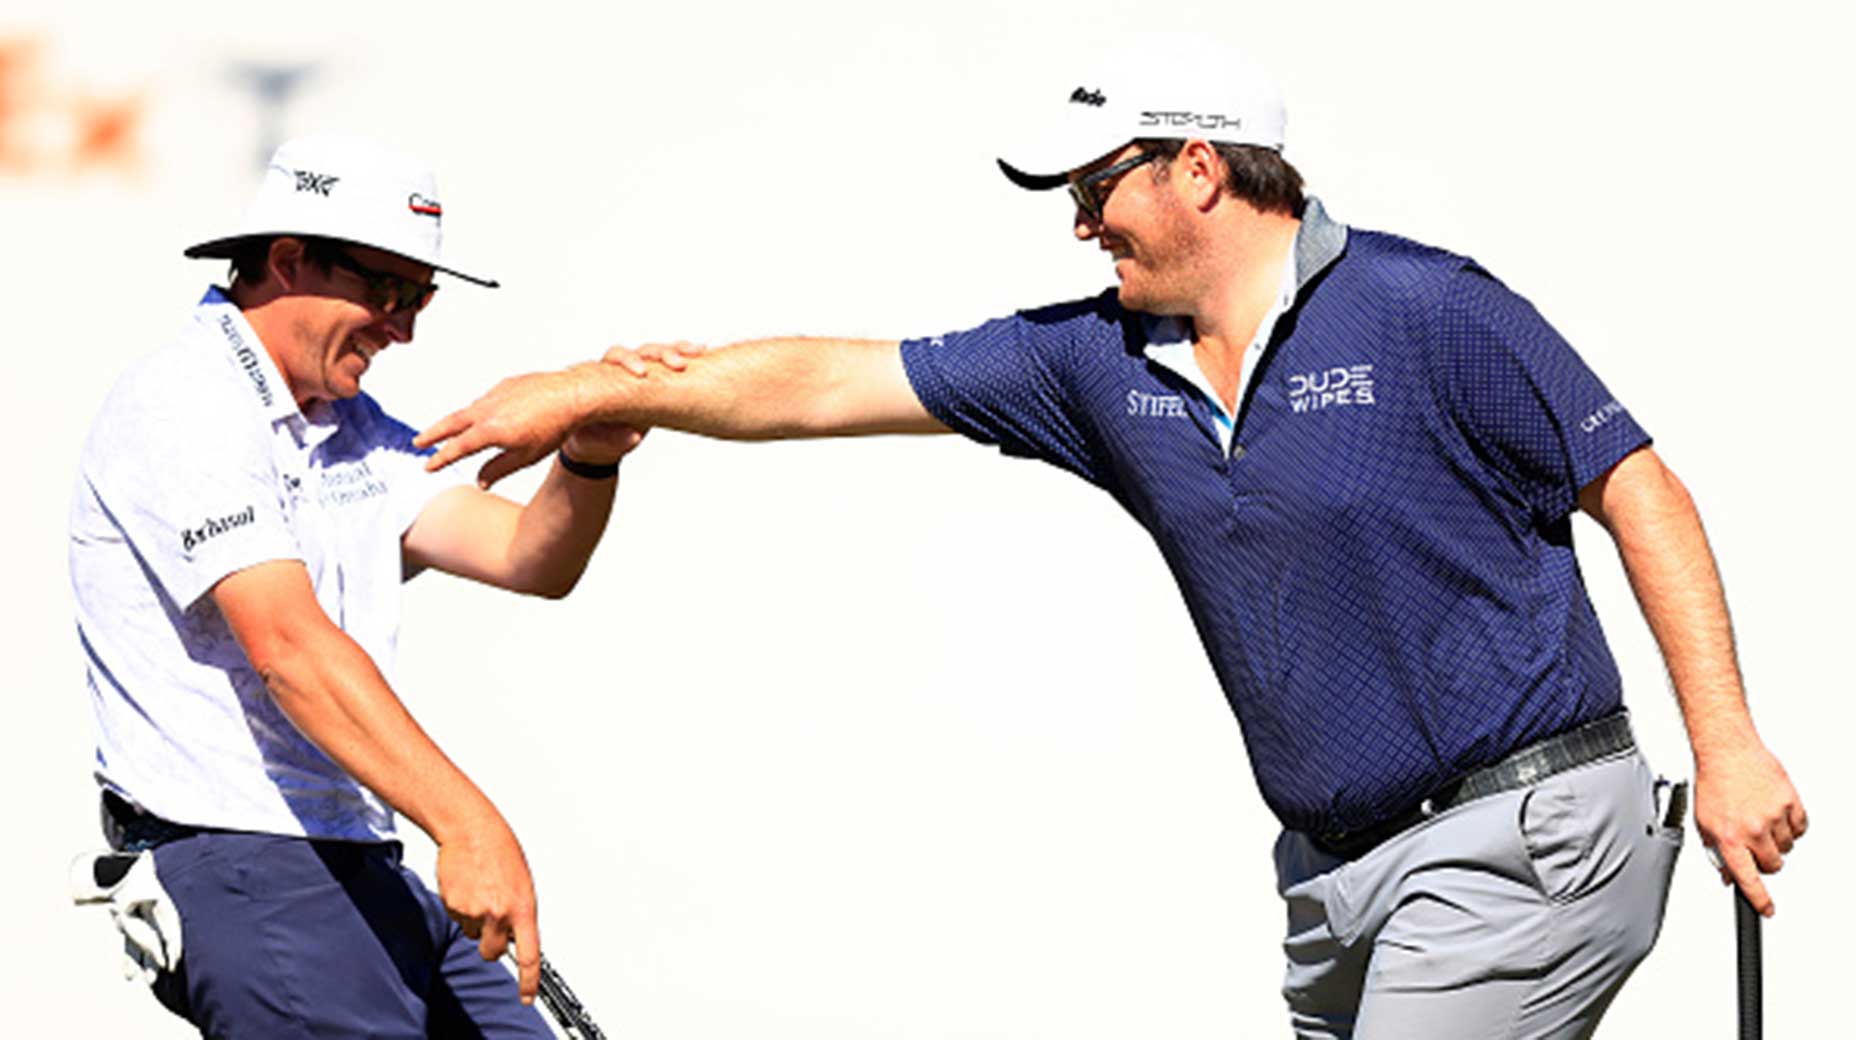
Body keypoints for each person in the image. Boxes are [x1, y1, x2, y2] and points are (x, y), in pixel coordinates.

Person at [415, 42, 1806, 1039]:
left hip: (1525, 834)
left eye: (1097, 186)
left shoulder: (1426, 308)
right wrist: (598, 390)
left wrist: (1728, 743)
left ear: (1200, 166)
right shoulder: (1099, 363)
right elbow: (827, 382)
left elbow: (1638, 487)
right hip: (1332, 876)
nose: (1080, 223)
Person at [68, 134, 642, 1037]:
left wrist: (589, 454)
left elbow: (532, 556)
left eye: (420, 298)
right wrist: (468, 824)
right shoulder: (183, 403)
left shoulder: (351, 426)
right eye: (386, 290)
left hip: (363, 857)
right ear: (289, 261)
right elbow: (289, 650)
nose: (404, 326)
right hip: (248, 861)